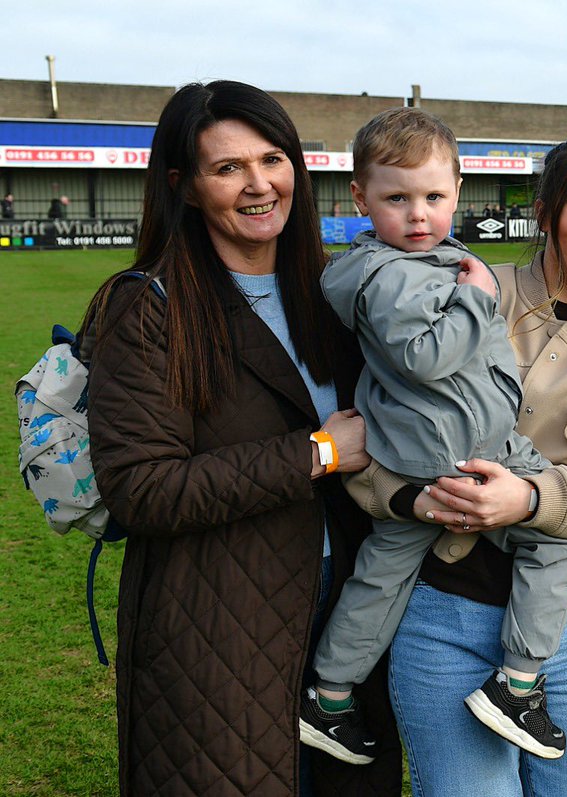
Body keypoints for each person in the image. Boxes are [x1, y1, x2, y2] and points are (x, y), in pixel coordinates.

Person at [86, 80, 402, 796]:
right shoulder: (147, 305)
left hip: (350, 611)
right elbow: (142, 489)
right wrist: (317, 453)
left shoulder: (336, 291)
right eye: (228, 168)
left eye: (273, 158)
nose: (259, 184)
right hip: (218, 622)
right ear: (186, 187)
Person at [379, 128, 567, 796]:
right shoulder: (464, 288)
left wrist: (532, 500)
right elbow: (383, 425)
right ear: (545, 211)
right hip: (444, 616)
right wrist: (414, 498)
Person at [301, 107, 567, 763]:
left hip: (423, 450)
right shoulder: (394, 273)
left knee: (383, 574)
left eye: (433, 196)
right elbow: (425, 356)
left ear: (457, 190)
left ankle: (330, 693)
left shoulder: (411, 261)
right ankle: (518, 683)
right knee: (561, 530)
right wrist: (478, 296)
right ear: (360, 198)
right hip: (467, 449)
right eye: (396, 198)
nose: (418, 214)